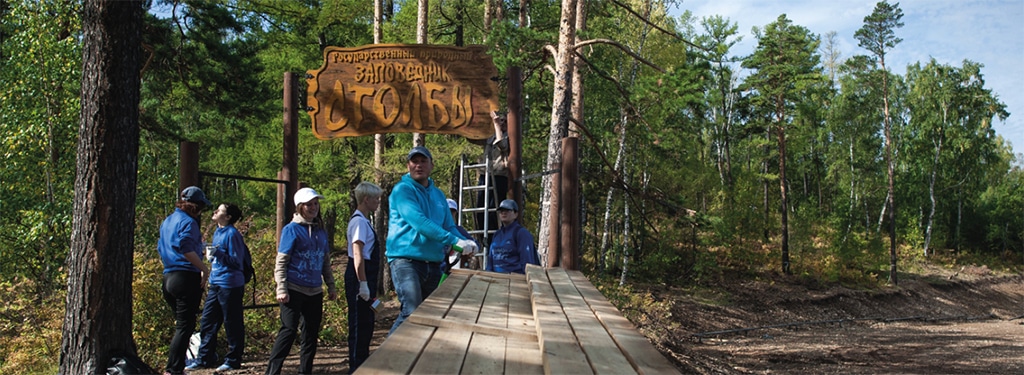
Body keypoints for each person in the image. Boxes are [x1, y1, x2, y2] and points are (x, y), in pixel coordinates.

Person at [387, 146, 478, 334]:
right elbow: (420, 222)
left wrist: (466, 241)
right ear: (408, 165)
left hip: (434, 264)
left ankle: (414, 360)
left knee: (427, 316)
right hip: (406, 262)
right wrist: (454, 241)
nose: (418, 165)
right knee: (411, 312)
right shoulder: (402, 191)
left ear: (431, 165)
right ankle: (382, 360)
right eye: (414, 161)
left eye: (423, 161)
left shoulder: (438, 195)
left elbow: (449, 226)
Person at [265, 187, 338, 375]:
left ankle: (305, 371)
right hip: (293, 288)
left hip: (314, 290)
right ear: (300, 207)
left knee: (311, 334)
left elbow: (325, 261)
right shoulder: (291, 230)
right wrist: (281, 288)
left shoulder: (321, 231)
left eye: (315, 204)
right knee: (288, 331)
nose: (313, 208)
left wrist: (330, 285)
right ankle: (272, 371)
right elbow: (282, 261)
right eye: (309, 204)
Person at [157, 186, 212, 375]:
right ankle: (173, 370)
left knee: (182, 325)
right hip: (185, 277)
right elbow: (185, 248)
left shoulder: (167, 221)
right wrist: (203, 268)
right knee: (184, 327)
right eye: (202, 207)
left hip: (168, 277)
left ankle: (176, 367)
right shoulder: (189, 222)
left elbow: (161, 248)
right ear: (195, 206)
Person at [188, 203, 249, 372]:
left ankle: (233, 359)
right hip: (215, 283)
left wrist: (218, 253)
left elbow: (237, 261)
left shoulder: (232, 234)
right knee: (208, 322)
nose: (215, 212)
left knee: (232, 322)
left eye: (220, 210)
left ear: (228, 217)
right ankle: (204, 358)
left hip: (230, 284)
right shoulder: (218, 232)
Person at [345, 181, 384, 373]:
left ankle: (362, 365)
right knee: (359, 326)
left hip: (365, 277)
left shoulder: (365, 221)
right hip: (359, 278)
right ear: (366, 199)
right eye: (376, 198)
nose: (378, 201)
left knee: (367, 325)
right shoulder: (359, 222)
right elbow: (357, 254)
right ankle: (356, 367)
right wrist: (362, 284)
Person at [475, 111, 511, 234]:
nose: (503, 123)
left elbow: (502, 145)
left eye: (506, 121)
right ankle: (482, 237)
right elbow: (475, 138)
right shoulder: (491, 135)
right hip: (485, 174)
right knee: (480, 209)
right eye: (501, 120)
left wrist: (497, 125)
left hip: (499, 176)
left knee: (494, 210)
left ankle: (495, 238)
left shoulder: (509, 136)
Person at [486, 199, 539, 274]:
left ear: (516, 214)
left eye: (508, 210)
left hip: (515, 279)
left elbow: (527, 262)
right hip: (495, 279)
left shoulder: (522, 233)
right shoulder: (497, 235)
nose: (503, 213)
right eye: (501, 211)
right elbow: (490, 262)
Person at [445, 198, 477, 271]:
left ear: (455, 213)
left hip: (453, 270)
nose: (450, 214)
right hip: (436, 268)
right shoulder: (437, 227)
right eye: (448, 211)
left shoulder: (459, 230)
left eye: (452, 211)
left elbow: (474, 243)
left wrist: (472, 247)